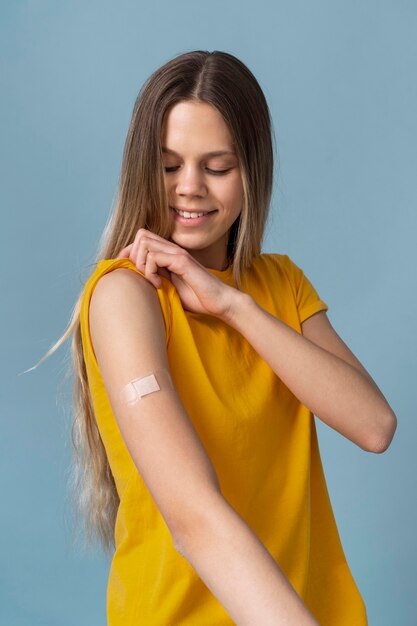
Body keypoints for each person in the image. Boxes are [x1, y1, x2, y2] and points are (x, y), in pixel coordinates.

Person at [38, 50, 397, 624]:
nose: (190, 188)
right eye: (169, 164)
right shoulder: (124, 297)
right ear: (141, 166)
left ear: (251, 169)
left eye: (217, 166)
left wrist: (234, 305)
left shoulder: (279, 284)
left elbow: (374, 426)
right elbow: (193, 515)